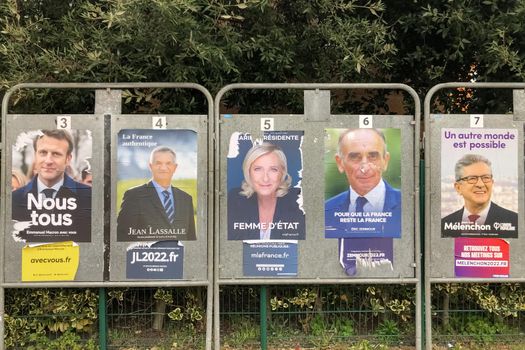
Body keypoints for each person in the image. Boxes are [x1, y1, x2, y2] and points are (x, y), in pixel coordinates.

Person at [11, 129, 92, 242]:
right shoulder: (14, 200)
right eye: (43, 152)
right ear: (35, 155)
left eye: (56, 154)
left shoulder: (89, 198)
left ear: (68, 159)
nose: (48, 161)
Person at [325, 128, 401, 238]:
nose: (364, 168)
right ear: (340, 163)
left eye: (373, 156)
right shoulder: (326, 211)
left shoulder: (408, 206)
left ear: (385, 161)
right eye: (355, 157)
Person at [117, 146, 196, 241]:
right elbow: (122, 237)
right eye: (158, 163)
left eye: (168, 163)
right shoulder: (134, 196)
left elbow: (191, 238)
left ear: (175, 167)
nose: (163, 168)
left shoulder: (186, 199)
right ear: (150, 166)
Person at [228, 143, 305, 240]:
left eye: (273, 169)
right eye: (258, 169)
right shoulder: (234, 200)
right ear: (248, 172)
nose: (265, 178)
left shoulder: (300, 201)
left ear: (282, 173)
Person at [441, 154, 518, 237]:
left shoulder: (515, 222)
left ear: (492, 183)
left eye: (486, 177)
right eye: (472, 178)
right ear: (458, 187)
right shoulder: (444, 226)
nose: (480, 184)